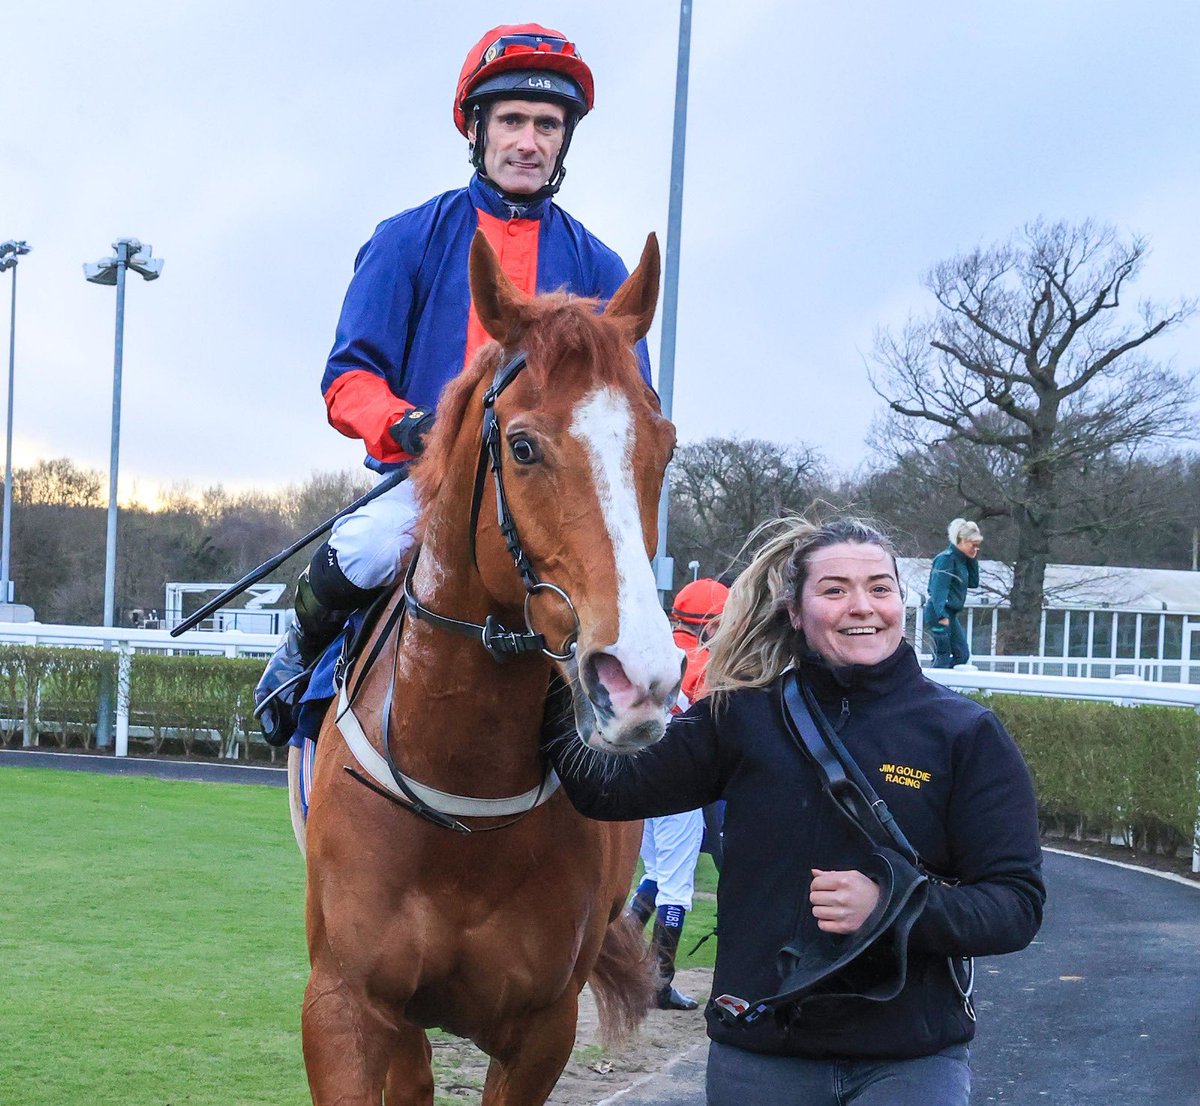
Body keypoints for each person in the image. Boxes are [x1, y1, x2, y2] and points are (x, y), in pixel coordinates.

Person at [543, 517, 1044, 1105]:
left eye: (880, 588)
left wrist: (890, 908)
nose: (863, 606)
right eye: (834, 590)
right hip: (762, 1055)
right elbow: (608, 790)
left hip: (909, 1062)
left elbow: (1015, 904)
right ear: (795, 612)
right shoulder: (740, 719)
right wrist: (548, 656)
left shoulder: (966, 735)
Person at [254, 24, 651, 744]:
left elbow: (629, 407)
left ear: (565, 140)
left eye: (547, 125)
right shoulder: (406, 240)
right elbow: (348, 378)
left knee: (627, 601)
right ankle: (299, 658)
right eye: (512, 121)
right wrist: (406, 425)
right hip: (426, 481)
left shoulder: (600, 266)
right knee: (367, 547)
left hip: (549, 493)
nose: (529, 141)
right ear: (478, 129)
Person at [628, 576, 730, 1011]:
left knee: (654, 874)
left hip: (635, 786)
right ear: (708, 624)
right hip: (679, 789)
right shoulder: (706, 661)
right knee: (676, 886)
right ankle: (658, 983)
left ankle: (614, 959)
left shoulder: (651, 652)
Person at [925, 518, 983, 669]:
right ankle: (933, 689)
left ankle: (945, 687)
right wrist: (942, 616)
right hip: (938, 614)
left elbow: (973, 583)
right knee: (942, 656)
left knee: (962, 655)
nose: (976, 549)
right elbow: (938, 590)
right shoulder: (946, 559)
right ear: (962, 541)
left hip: (950, 614)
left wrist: (972, 560)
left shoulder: (961, 561)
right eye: (973, 545)